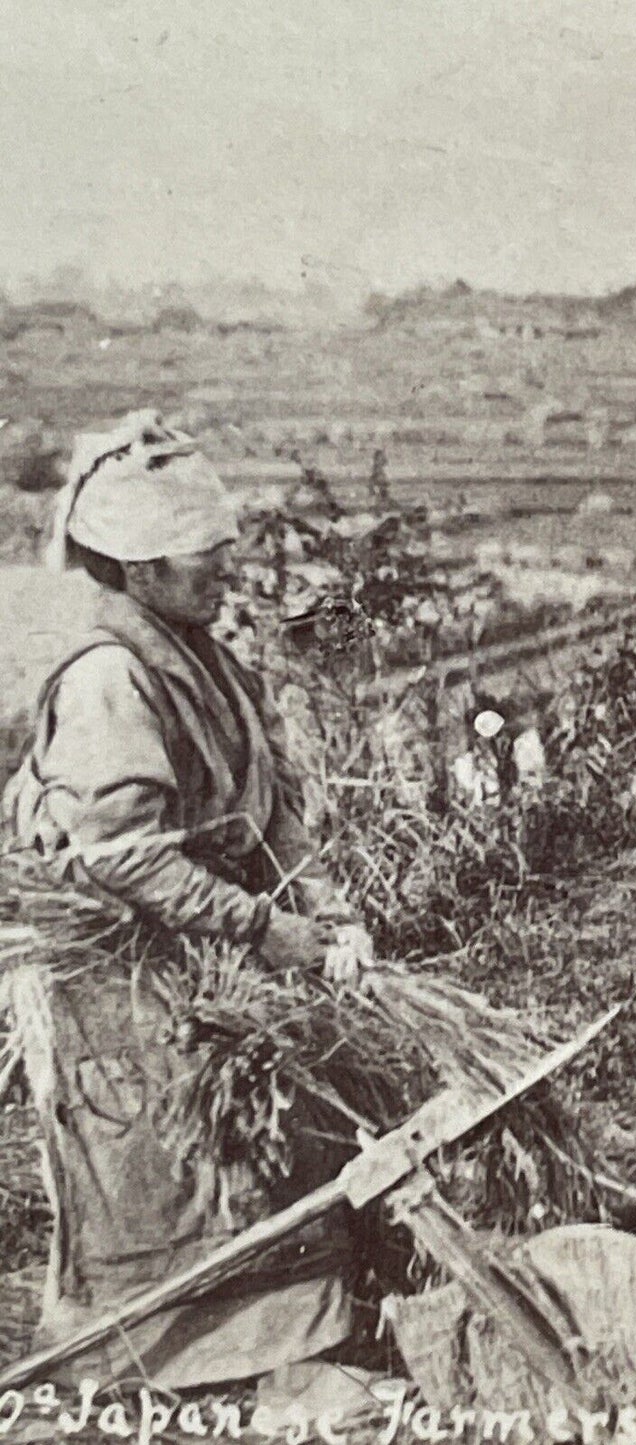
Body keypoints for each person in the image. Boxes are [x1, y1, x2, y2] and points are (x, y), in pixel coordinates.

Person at [3, 412, 375, 1400]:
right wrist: (264, 927)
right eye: (200, 559)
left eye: (222, 552)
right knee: (161, 1169)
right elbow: (123, 857)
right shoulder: (110, 678)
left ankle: (283, 1338)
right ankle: (161, 1370)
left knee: (262, 1146)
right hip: (124, 969)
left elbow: (270, 807)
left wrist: (322, 906)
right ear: (136, 568)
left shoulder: (202, 652)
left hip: (206, 945)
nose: (222, 573)